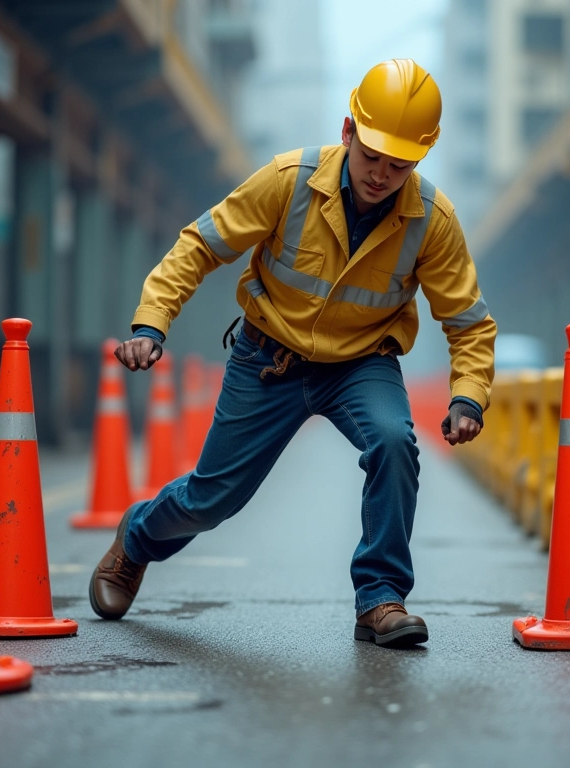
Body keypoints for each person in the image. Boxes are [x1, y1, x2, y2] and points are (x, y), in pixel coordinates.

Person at [89, 59, 497, 649]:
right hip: (268, 359)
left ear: (419, 158)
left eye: (399, 164)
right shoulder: (287, 180)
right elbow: (199, 246)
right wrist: (152, 322)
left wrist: (467, 397)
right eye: (372, 157)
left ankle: (381, 599)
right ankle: (137, 540)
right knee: (213, 498)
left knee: (392, 440)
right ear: (348, 132)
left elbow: (468, 323)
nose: (382, 175)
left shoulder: (432, 221)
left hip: (361, 365)